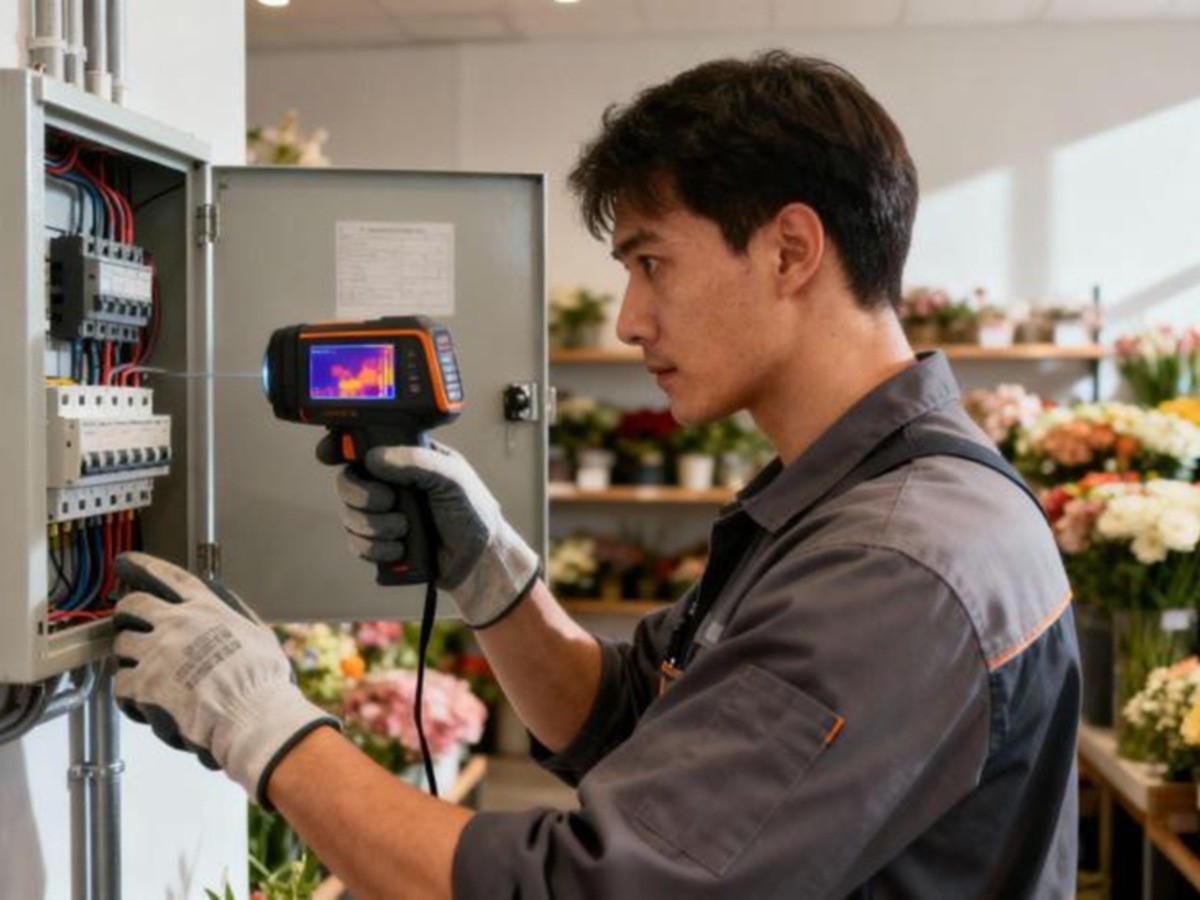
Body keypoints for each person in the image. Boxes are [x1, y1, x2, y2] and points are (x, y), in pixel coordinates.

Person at [112, 50, 1080, 899]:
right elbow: (640, 729)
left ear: (791, 250)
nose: (628, 319)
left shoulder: (895, 563)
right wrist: (494, 581)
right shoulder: (859, 499)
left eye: (652, 262)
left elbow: (588, 888)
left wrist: (260, 725)